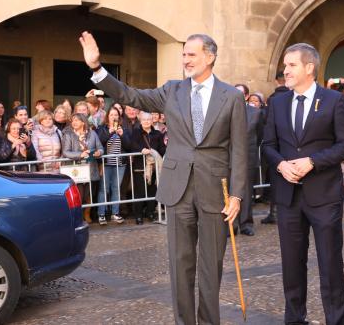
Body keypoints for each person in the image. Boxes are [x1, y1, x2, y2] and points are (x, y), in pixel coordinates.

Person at [80, 31, 246, 325]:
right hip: (178, 189)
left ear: (210, 57)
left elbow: (241, 150)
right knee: (180, 264)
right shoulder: (172, 90)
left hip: (215, 190)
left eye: (191, 54)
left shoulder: (231, 97)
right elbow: (131, 95)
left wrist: (236, 195)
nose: (186, 60)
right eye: (184, 54)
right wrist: (97, 69)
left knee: (211, 265)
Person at [262, 43, 344, 325]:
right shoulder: (277, 102)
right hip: (288, 197)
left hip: (324, 196)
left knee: (330, 265)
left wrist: (313, 161)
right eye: (285, 65)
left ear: (309, 68)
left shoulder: (333, 100)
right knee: (292, 266)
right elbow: (267, 145)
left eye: (291, 65)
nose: (286, 70)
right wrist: (280, 164)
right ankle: (294, 320)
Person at [62, 113, 104, 223]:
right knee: (79, 195)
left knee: (89, 194)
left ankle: (87, 214)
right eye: (73, 120)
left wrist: (99, 152)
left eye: (77, 120)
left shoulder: (92, 134)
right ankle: (78, 217)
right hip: (76, 170)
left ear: (83, 122)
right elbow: (66, 152)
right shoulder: (68, 134)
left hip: (90, 168)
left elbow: (100, 148)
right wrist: (80, 154)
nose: (74, 122)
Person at [262, 71, 289, 225]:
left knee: (275, 183)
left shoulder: (273, 99)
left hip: (275, 148)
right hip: (288, 146)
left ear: (276, 81)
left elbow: (266, 122)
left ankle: (275, 213)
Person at [128, 112, 166, 224]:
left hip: (154, 166)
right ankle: (138, 215)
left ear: (152, 121)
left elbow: (161, 148)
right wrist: (141, 150)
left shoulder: (157, 134)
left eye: (148, 120)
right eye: (144, 120)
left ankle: (150, 213)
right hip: (140, 166)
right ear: (140, 121)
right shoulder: (136, 132)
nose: (146, 122)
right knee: (139, 191)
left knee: (152, 191)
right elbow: (132, 144)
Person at [234, 98, 265, 236]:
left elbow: (260, 135)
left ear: (246, 96)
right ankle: (231, 225)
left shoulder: (256, 113)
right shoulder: (227, 109)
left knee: (246, 192)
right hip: (228, 158)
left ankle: (246, 224)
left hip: (248, 157)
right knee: (228, 192)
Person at [97, 107, 130, 224]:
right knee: (103, 189)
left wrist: (122, 135)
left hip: (120, 164)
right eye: (111, 115)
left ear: (119, 117)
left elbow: (128, 146)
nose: (114, 117)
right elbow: (99, 142)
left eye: (116, 115)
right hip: (106, 164)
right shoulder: (102, 129)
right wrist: (109, 132)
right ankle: (101, 214)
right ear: (107, 117)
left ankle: (115, 213)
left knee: (116, 189)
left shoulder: (124, 129)